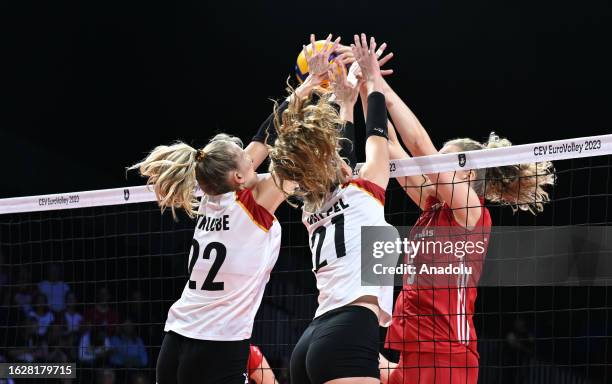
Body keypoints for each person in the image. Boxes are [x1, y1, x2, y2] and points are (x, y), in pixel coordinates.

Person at [129, 64, 324, 383]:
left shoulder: (210, 192)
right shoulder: (254, 206)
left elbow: (263, 137)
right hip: (217, 347)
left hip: (176, 339)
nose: (252, 156)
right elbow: (289, 151)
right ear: (238, 176)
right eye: (245, 157)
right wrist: (336, 97)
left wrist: (306, 87)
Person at [375, 75, 555, 383]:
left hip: (448, 355)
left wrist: (381, 82)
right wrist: (363, 89)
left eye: (445, 160)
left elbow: (418, 145)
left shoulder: (471, 212)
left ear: (467, 170)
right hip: (412, 351)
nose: (433, 165)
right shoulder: (430, 204)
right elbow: (390, 144)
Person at [269, 33, 394, 384]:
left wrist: (346, 102)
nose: (342, 154)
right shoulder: (365, 188)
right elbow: (377, 134)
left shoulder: (311, 206)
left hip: (312, 340)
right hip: (348, 332)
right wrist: (371, 79)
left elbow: (349, 149)